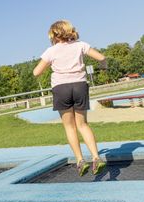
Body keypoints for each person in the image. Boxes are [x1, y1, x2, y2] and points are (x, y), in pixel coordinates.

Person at [33, 19, 107, 176]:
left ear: (54, 35)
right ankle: (96, 157)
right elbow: (101, 58)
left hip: (61, 88)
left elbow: (36, 72)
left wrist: (52, 65)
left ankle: (80, 160)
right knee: (83, 125)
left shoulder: (51, 51)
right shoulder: (81, 45)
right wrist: (103, 66)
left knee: (69, 126)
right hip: (80, 86)